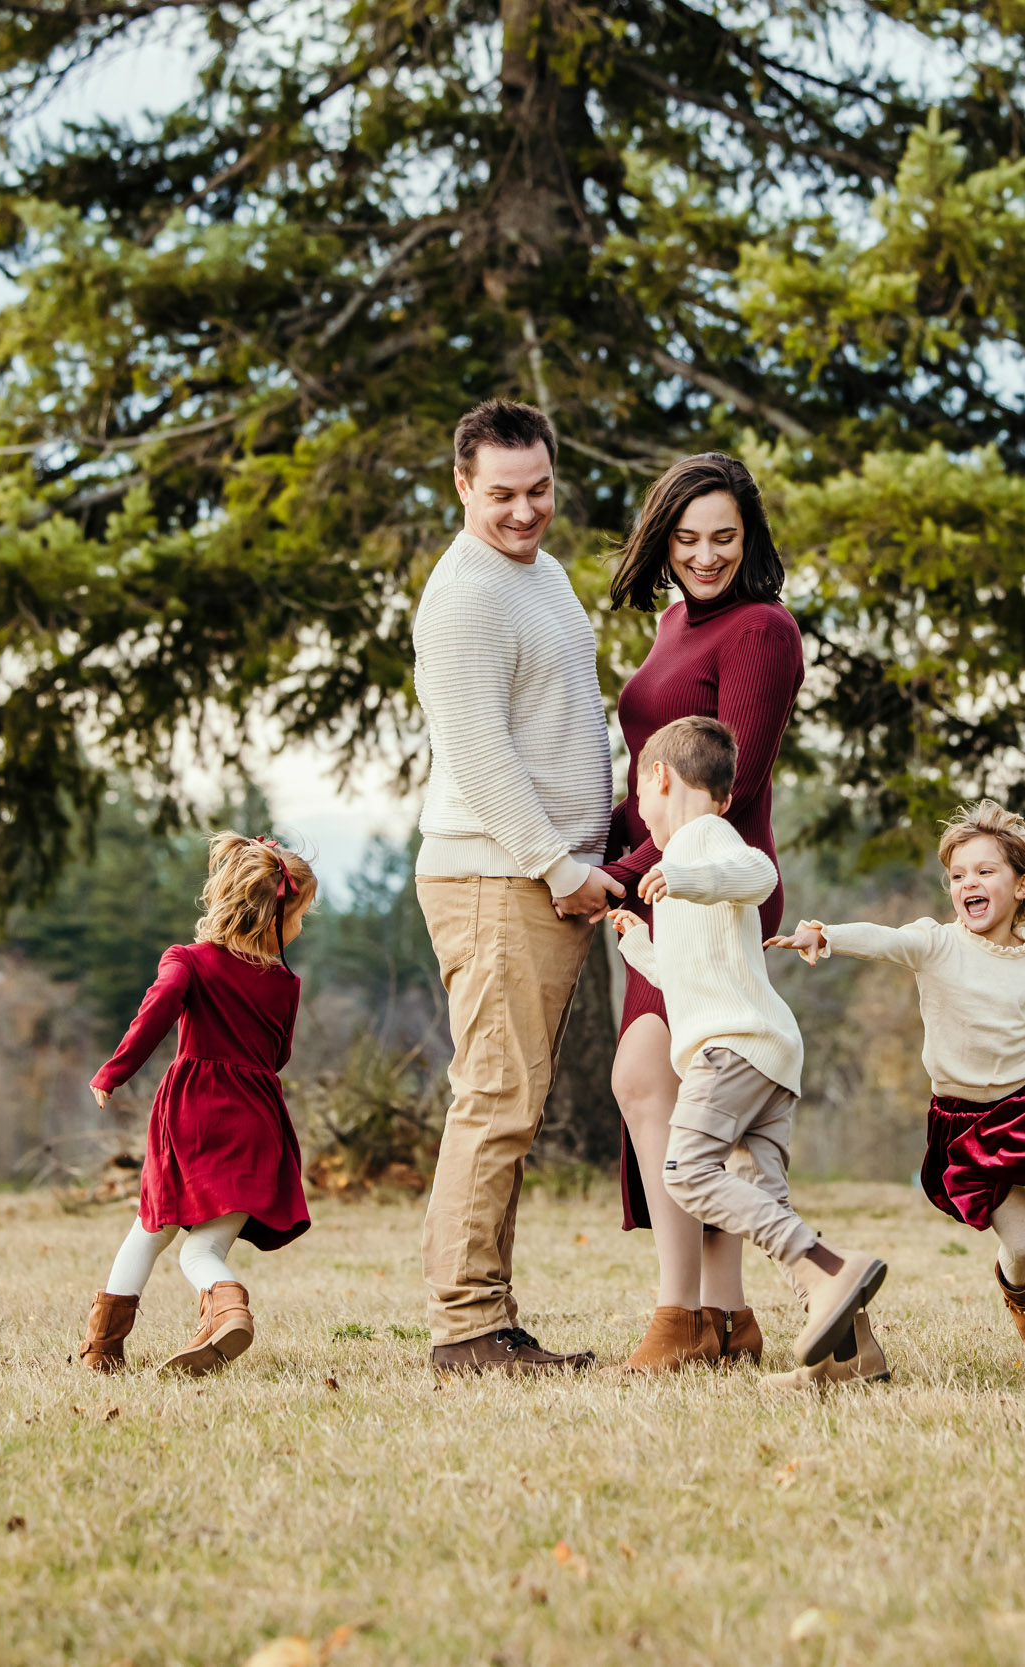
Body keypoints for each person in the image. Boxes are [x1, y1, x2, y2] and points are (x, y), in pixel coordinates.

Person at [768, 801, 1025, 1376]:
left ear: (1022, 885)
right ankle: (1023, 1297)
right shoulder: (935, 943)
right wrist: (823, 934)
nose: (968, 884)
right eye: (958, 875)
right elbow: (881, 939)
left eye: (984, 871)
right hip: (965, 1126)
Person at [410, 399, 621, 1375]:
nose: (525, 509)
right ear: (462, 484)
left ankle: (487, 1315)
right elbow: (481, 757)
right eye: (501, 493)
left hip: (540, 877)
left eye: (538, 488)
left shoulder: (542, 577)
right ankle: (464, 1326)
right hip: (496, 876)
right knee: (495, 1096)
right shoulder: (465, 597)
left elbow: (566, 715)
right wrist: (557, 864)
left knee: (513, 1097)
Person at [601, 453, 805, 1373]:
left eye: (724, 536)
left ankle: (678, 1313)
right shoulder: (674, 621)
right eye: (687, 538)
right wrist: (601, 856)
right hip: (661, 880)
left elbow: (738, 777)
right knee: (681, 1094)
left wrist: (632, 871)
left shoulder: (762, 628)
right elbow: (656, 771)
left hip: (714, 884)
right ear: (663, 539)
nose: (706, 554)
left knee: (647, 1077)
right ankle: (726, 1316)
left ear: (749, 537)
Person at [609, 716, 889, 1379]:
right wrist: (638, 943)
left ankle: (830, 1267)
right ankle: (857, 1354)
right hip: (763, 1051)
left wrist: (682, 879)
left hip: (729, 1052)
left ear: (661, 778)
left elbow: (755, 873)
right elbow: (688, 973)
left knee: (687, 1172)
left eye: (639, 797)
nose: (638, 813)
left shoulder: (703, 841)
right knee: (760, 1190)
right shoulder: (685, 866)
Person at [78, 834, 317, 1377]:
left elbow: (157, 1011)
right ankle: (222, 1310)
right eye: (300, 917)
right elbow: (277, 1055)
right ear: (274, 918)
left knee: (150, 1229)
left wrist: (113, 1071)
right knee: (201, 1248)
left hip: (192, 1116)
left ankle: (107, 1349)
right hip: (255, 1121)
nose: (301, 928)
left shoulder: (187, 961)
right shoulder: (284, 982)